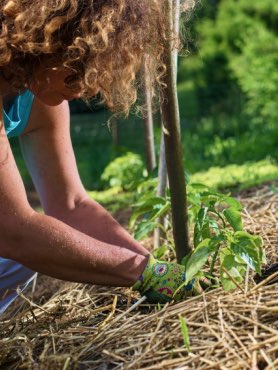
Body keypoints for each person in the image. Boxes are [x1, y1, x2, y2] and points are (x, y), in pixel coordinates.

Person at [0, 0, 200, 313]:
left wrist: (154, 267)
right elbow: (13, 231)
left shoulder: (37, 101)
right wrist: (141, 273)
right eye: (76, 65)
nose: (83, 88)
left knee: (17, 261)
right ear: (43, 41)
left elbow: (71, 206)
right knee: (21, 249)